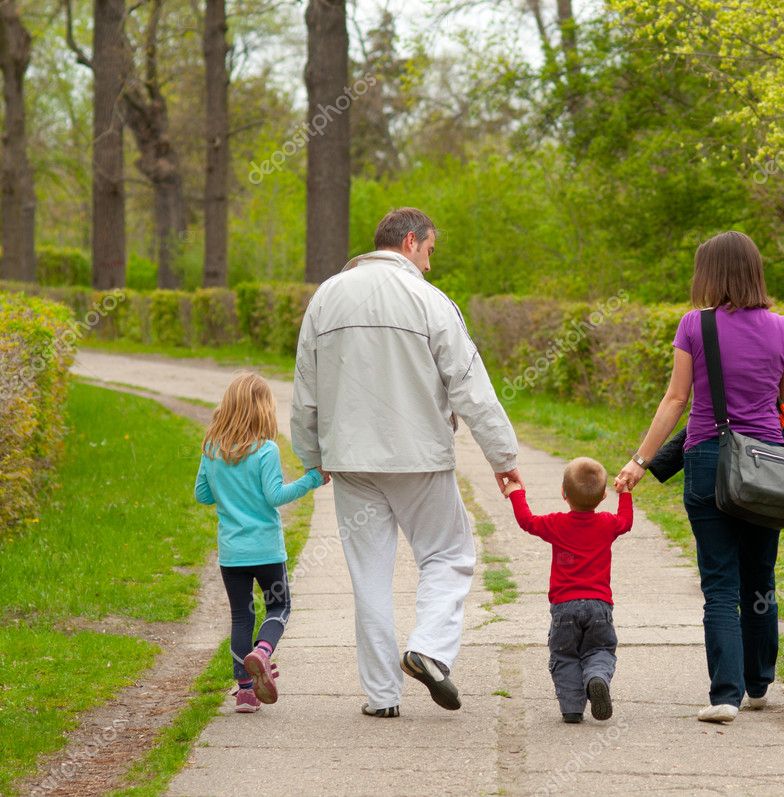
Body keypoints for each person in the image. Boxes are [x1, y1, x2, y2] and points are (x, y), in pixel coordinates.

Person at [291, 207, 521, 718]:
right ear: (411, 241)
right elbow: (469, 385)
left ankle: (381, 696)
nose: (430, 265)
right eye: (430, 252)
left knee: (369, 575)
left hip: (351, 460)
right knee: (448, 555)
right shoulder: (429, 300)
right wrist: (502, 456)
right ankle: (430, 649)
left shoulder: (325, 297)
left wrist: (311, 455)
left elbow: (306, 385)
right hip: (419, 457)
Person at [615, 231, 784, 724]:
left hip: (706, 463)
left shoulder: (694, 327)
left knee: (719, 584)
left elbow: (676, 400)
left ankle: (725, 696)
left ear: (710, 274)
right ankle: (760, 684)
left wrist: (641, 460)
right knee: (760, 576)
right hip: (765, 466)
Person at [194, 372, 328, 713]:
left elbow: (202, 495)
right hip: (266, 550)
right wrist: (312, 479)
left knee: (241, 617)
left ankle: (245, 692)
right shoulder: (266, 450)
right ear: (263, 409)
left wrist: (228, 490)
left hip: (232, 553)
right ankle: (263, 652)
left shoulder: (211, 448)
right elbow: (275, 496)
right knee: (279, 607)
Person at [503, 457, 632, 723]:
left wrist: (516, 493)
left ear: (563, 493)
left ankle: (572, 708)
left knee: (565, 655)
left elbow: (527, 521)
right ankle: (596, 677)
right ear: (603, 495)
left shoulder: (556, 524)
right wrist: (626, 494)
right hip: (599, 606)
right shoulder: (607, 523)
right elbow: (626, 522)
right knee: (600, 651)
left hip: (564, 608)